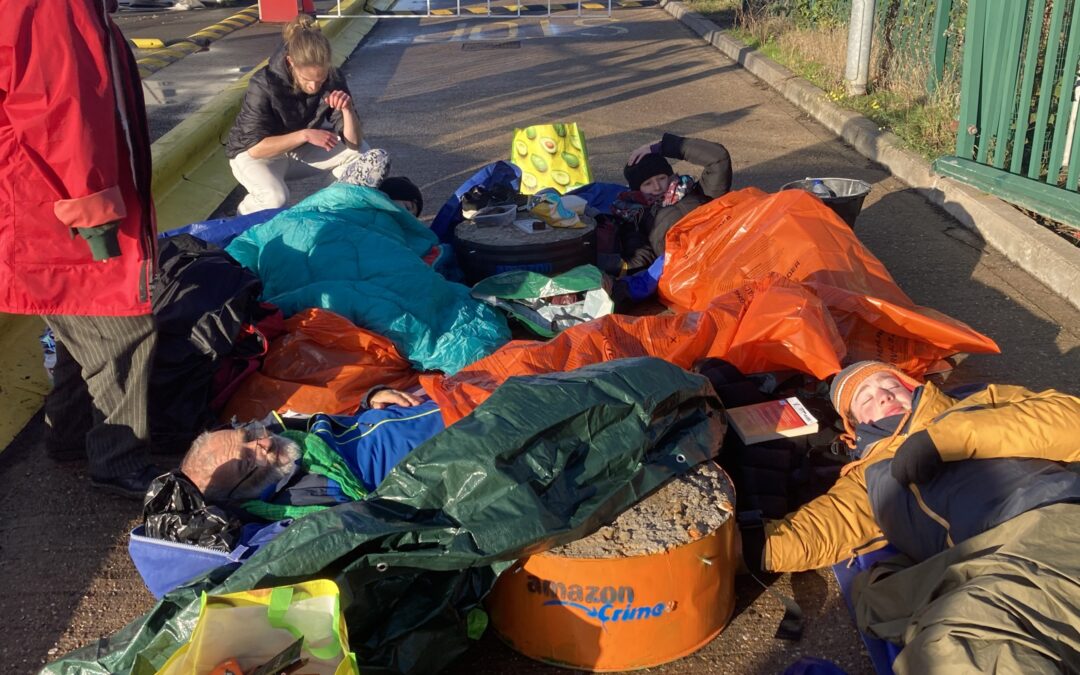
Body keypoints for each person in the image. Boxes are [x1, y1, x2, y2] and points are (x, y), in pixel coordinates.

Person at [1, 0, 162, 499]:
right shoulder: (54, 5)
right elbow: (63, 106)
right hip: (58, 199)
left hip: (40, 191)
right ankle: (118, 459)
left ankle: (69, 435)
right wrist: (90, 204)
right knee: (123, 328)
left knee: (76, 317)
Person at [738, 360, 1080, 574]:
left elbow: (1070, 421)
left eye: (890, 385)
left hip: (1062, 513)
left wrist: (945, 438)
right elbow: (826, 527)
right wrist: (739, 550)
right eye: (866, 398)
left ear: (912, 387)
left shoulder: (979, 402)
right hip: (994, 563)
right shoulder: (870, 474)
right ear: (857, 427)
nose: (883, 395)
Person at [180, 388, 443, 518]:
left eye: (249, 435)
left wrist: (372, 400)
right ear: (238, 495)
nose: (264, 442)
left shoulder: (287, 431)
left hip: (434, 401)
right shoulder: (299, 503)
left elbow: (346, 421)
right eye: (247, 462)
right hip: (460, 436)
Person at [226, 14, 366, 215]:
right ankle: (240, 218)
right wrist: (305, 135)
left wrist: (347, 110)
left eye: (321, 79)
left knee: (361, 155)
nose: (314, 86)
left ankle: (331, 209)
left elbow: (354, 143)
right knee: (275, 198)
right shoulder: (263, 83)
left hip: (296, 152)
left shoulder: (333, 78)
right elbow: (255, 149)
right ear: (290, 62)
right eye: (307, 79)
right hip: (255, 155)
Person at [599, 132, 733, 278]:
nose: (657, 187)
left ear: (670, 176)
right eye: (647, 184)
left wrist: (662, 147)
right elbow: (641, 259)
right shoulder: (636, 217)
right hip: (689, 275)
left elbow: (718, 158)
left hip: (725, 256)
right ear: (637, 190)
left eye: (661, 178)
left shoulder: (700, 192)